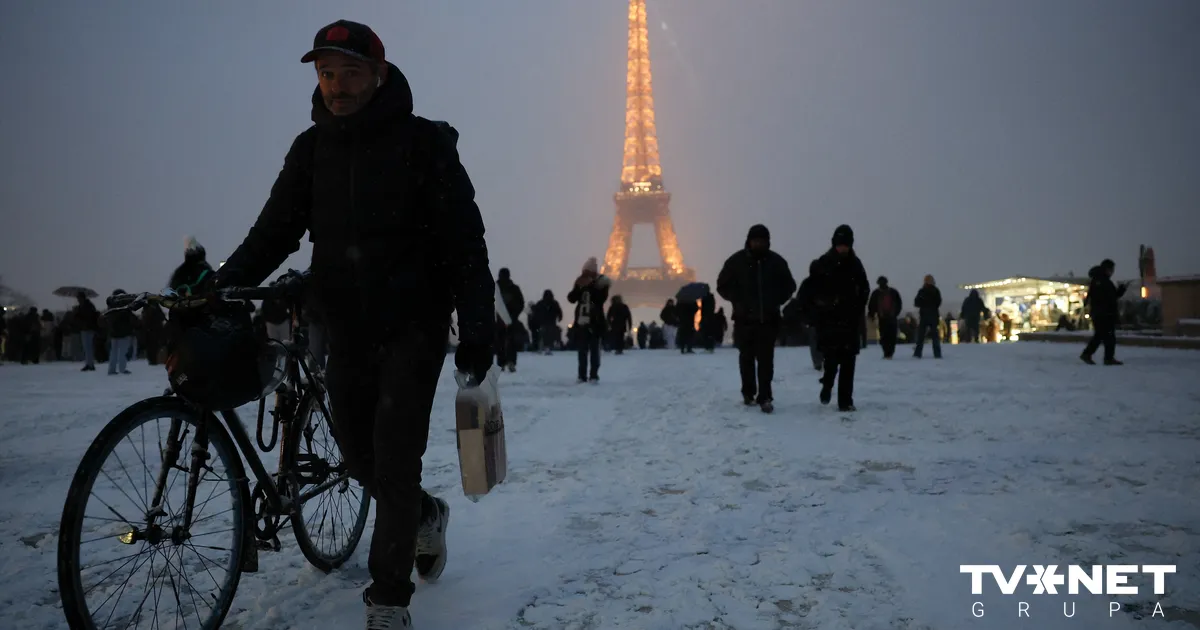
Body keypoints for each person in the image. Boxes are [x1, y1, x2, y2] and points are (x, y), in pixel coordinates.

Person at [213, 20, 495, 629]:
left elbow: (464, 244)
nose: (336, 86)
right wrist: (220, 284)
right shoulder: (311, 151)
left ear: (380, 75)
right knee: (356, 456)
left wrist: (475, 323)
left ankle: (388, 600)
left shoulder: (425, 145)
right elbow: (273, 232)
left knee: (393, 458)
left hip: (413, 326)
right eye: (326, 73)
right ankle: (425, 515)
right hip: (344, 324)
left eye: (350, 72)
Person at [716, 224, 797, 413]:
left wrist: (775, 300)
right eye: (756, 241)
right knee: (747, 359)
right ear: (749, 241)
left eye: (762, 241)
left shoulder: (776, 262)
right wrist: (738, 299)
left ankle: (765, 395)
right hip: (745, 319)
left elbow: (789, 285)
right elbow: (722, 285)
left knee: (765, 360)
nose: (758, 244)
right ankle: (749, 392)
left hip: (767, 319)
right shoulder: (737, 262)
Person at [807, 225, 869, 411]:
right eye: (840, 245)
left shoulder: (856, 264)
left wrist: (857, 306)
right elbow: (812, 290)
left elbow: (864, 288)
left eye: (846, 245)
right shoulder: (824, 263)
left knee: (849, 362)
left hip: (849, 320)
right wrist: (823, 306)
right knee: (832, 361)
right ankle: (827, 386)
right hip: (829, 321)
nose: (843, 248)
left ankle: (845, 401)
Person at [568, 257, 611, 382]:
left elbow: (600, 299)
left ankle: (593, 374)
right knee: (582, 350)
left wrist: (590, 286)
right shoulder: (580, 282)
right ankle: (582, 375)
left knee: (593, 350)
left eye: (586, 272)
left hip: (595, 321)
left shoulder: (601, 283)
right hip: (582, 321)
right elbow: (571, 299)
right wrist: (578, 287)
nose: (584, 274)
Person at [1081, 259, 1126, 365]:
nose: (1112, 272)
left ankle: (1088, 354)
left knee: (1100, 335)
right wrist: (1120, 291)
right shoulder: (1103, 281)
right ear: (1107, 269)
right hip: (1105, 313)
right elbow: (1110, 298)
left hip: (1099, 313)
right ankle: (1107, 358)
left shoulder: (1097, 280)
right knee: (1108, 336)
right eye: (1112, 269)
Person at [495, 268, 525, 371]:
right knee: (506, 342)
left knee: (503, 342)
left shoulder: (496, 288)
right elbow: (521, 303)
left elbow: (520, 303)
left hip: (505, 319)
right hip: (505, 318)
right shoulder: (511, 288)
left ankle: (504, 363)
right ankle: (508, 362)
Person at [867, 276, 902, 359]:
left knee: (888, 336)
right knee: (886, 336)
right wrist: (871, 315)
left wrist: (871, 315)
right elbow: (872, 305)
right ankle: (888, 353)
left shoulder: (891, 292)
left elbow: (898, 304)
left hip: (890, 317)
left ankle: (888, 353)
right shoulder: (878, 293)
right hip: (884, 318)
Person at [912, 275, 942, 359]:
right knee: (935, 337)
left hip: (924, 316)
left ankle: (917, 353)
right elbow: (938, 302)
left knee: (921, 337)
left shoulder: (922, 291)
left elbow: (916, 302)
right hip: (933, 316)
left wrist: (923, 304)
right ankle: (937, 354)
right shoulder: (935, 291)